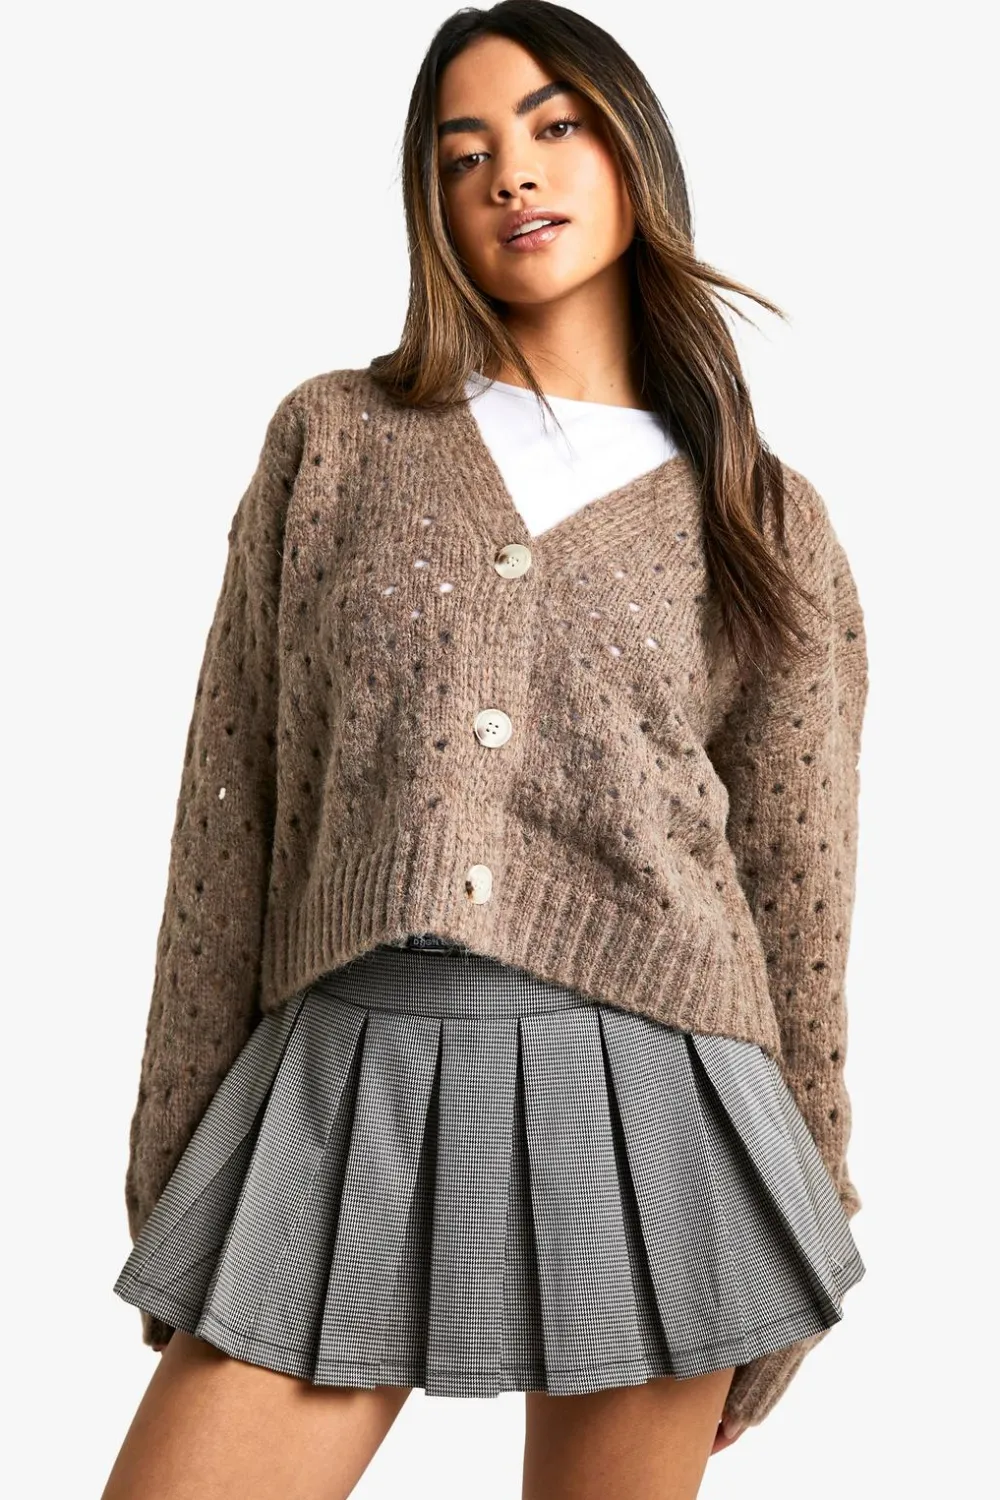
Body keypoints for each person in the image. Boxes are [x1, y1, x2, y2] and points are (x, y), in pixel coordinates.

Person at [101, 3, 869, 1497]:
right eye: (465, 155)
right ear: (433, 206)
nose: (511, 172)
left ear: (635, 157)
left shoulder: (761, 517)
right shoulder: (335, 439)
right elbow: (229, 813)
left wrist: (809, 1197)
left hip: (666, 1104)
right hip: (352, 1062)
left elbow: (800, 887)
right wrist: (181, 1148)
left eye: (554, 126)